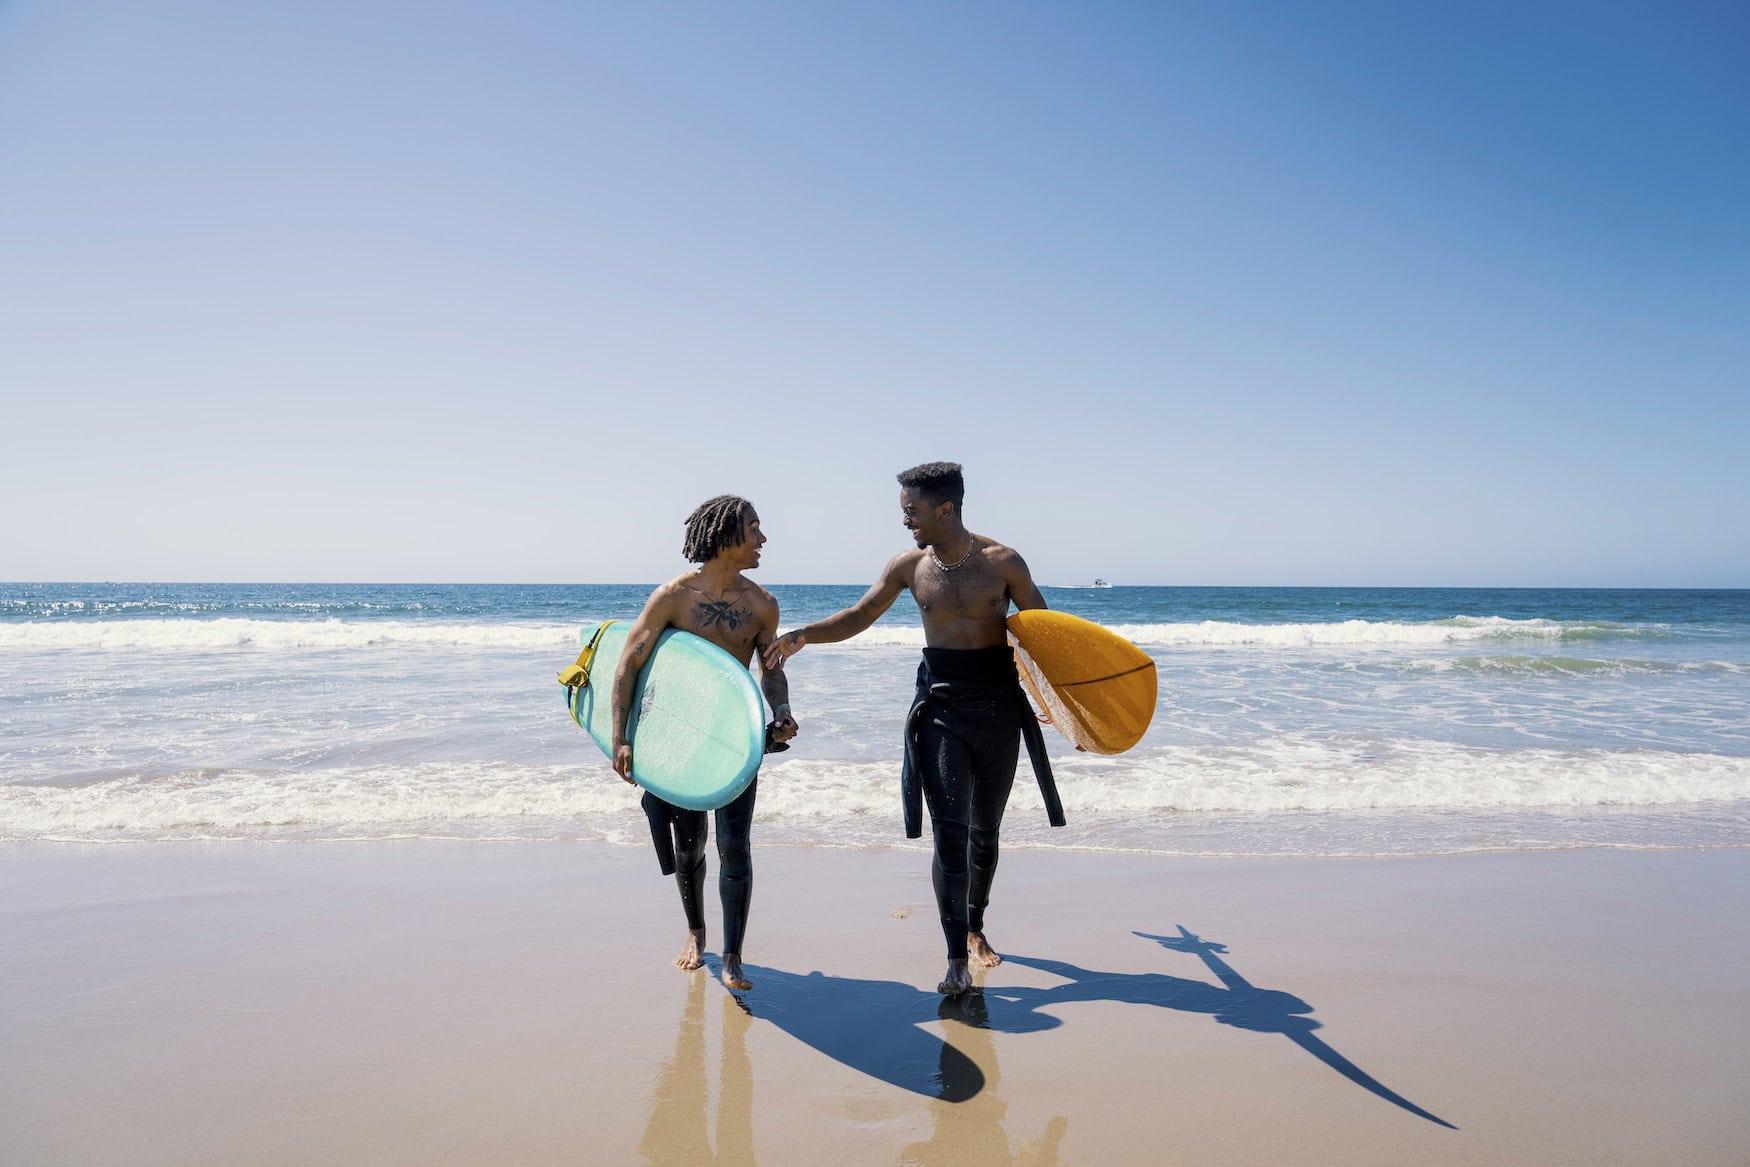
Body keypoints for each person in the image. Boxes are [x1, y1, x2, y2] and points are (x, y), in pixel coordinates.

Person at [763, 462, 1061, 996]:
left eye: (912, 511)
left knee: (985, 831)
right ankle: (954, 959)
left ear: (944, 509)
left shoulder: (1003, 563)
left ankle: (975, 926)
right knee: (950, 834)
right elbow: (860, 614)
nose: (905, 521)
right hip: (941, 709)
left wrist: (1066, 706)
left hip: (997, 709)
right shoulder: (909, 566)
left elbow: (1047, 636)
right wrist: (802, 635)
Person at [612, 495, 798, 992]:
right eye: (754, 529)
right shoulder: (673, 597)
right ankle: (697, 933)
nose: (763, 539)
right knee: (690, 844)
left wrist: (779, 712)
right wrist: (621, 737)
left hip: (735, 738)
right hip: (677, 736)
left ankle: (734, 955)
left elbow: (771, 672)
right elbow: (628, 663)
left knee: (735, 845)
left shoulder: (763, 605)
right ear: (725, 537)